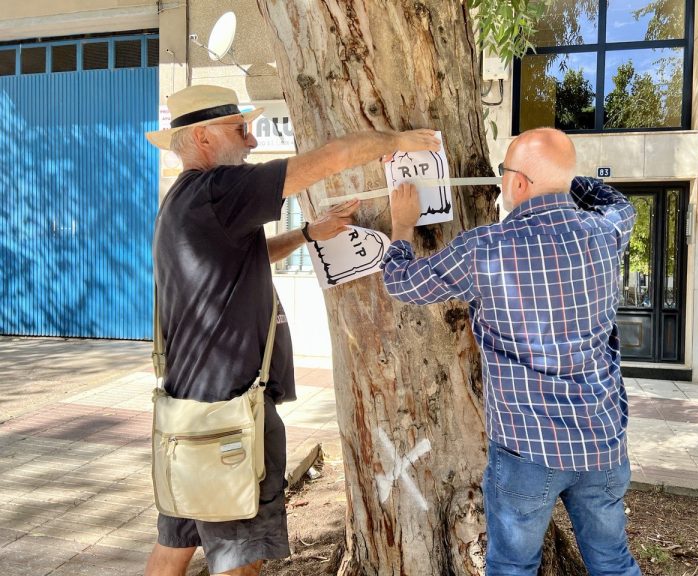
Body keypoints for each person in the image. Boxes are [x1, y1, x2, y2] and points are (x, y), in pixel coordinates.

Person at [144, 84, 440, 576]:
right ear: (202, 138)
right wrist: (402, 141)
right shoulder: (220, 189)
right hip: (231, 420)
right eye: (241, 129)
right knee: (242, 559)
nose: (253, 140)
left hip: (188, 418)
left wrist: (307, 234)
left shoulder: (185, 202)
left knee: (174, 547)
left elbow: (246, 257)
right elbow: (331, 157)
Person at [382, 128, 641, 576]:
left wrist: (402, 225)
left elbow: (401, 282)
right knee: (612, 563)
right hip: (602, 443)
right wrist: (567, 181)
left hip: (527, 449)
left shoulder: (485, 248)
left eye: (505, 174)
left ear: (518, 183)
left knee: (512, 568)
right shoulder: (605, 234)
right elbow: (620, 204)